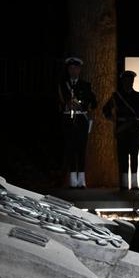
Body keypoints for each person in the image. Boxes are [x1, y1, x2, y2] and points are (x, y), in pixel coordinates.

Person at [103, 70, 139, 191]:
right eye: (126, 80)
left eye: (130, 80)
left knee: (134, 156)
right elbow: (106, 110)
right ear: (122, 81)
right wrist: (113, 119)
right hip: (122, 129)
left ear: (133, 81)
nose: (128, 83)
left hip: (134, 129)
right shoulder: (116, 96)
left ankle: (134, 184)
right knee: (122, 157)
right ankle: (124, 184)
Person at [58, 57, 96, 188]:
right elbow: (59, 102)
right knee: (70, 149)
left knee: (81, 149)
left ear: (80, 70)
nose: (73, 71)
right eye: (71, 68)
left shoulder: (86, 85)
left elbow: (93, 102)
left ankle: (82, 180)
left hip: (81, 119)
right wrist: (66, 105)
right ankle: (73, 180)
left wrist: (83, 106)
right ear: (68, 70)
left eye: (76, 68)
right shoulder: (63, 85)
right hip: (68, 119)